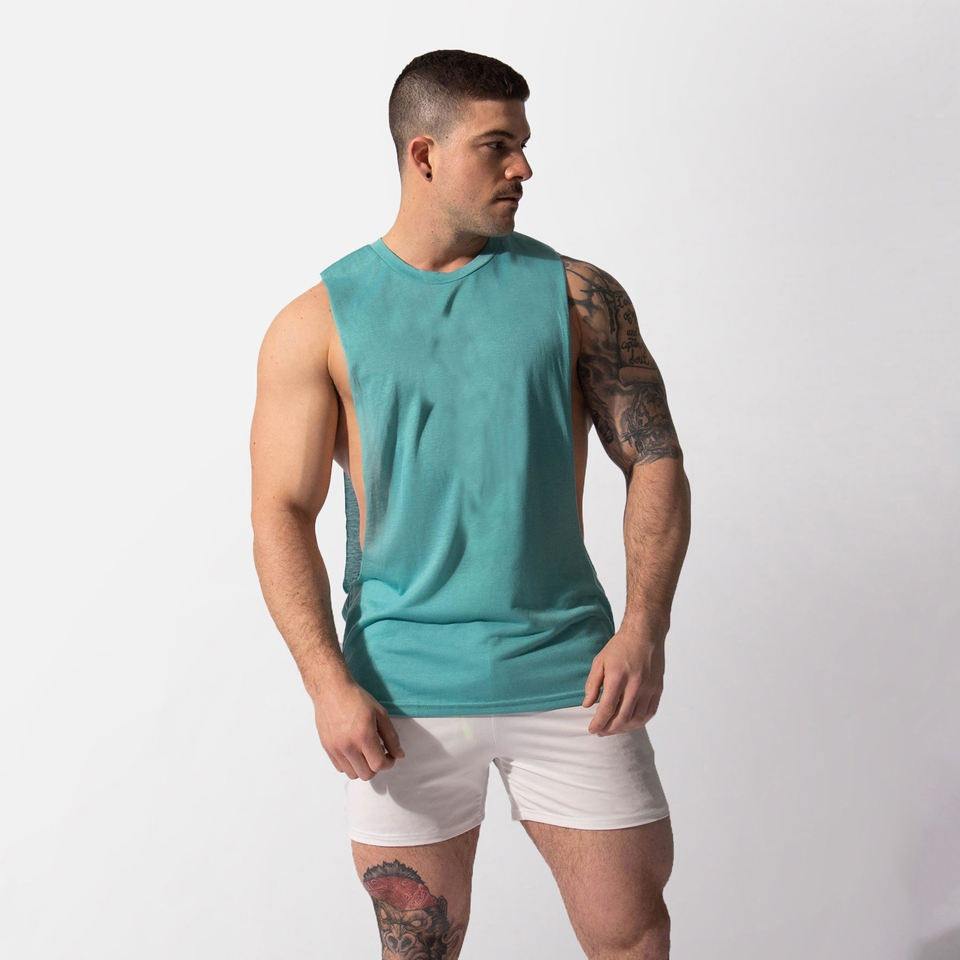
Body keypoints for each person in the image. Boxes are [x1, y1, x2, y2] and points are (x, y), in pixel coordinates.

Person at [250, 48, 691, 960]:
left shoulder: (578, 296)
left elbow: (653, 459)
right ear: (424, 154)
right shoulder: (318, 322)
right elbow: (280, 512)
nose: (523, 167)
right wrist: (327, 685)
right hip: (401, 695)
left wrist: (645, 628)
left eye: (523, 143)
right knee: (419, 952)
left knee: (632, 939)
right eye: (498, 145)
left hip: (573, 681)